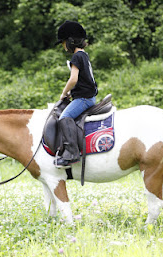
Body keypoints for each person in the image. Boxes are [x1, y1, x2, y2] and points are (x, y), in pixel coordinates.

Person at [54, 21, 98, 169]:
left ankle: (71, 153)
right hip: (87, 96)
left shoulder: (76, 57)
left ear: (71, 41)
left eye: (64, 42)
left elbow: (73, 79)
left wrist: (64, 93)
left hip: (84, 99)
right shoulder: (83, 55)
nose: (63, 45)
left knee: (64, 117)